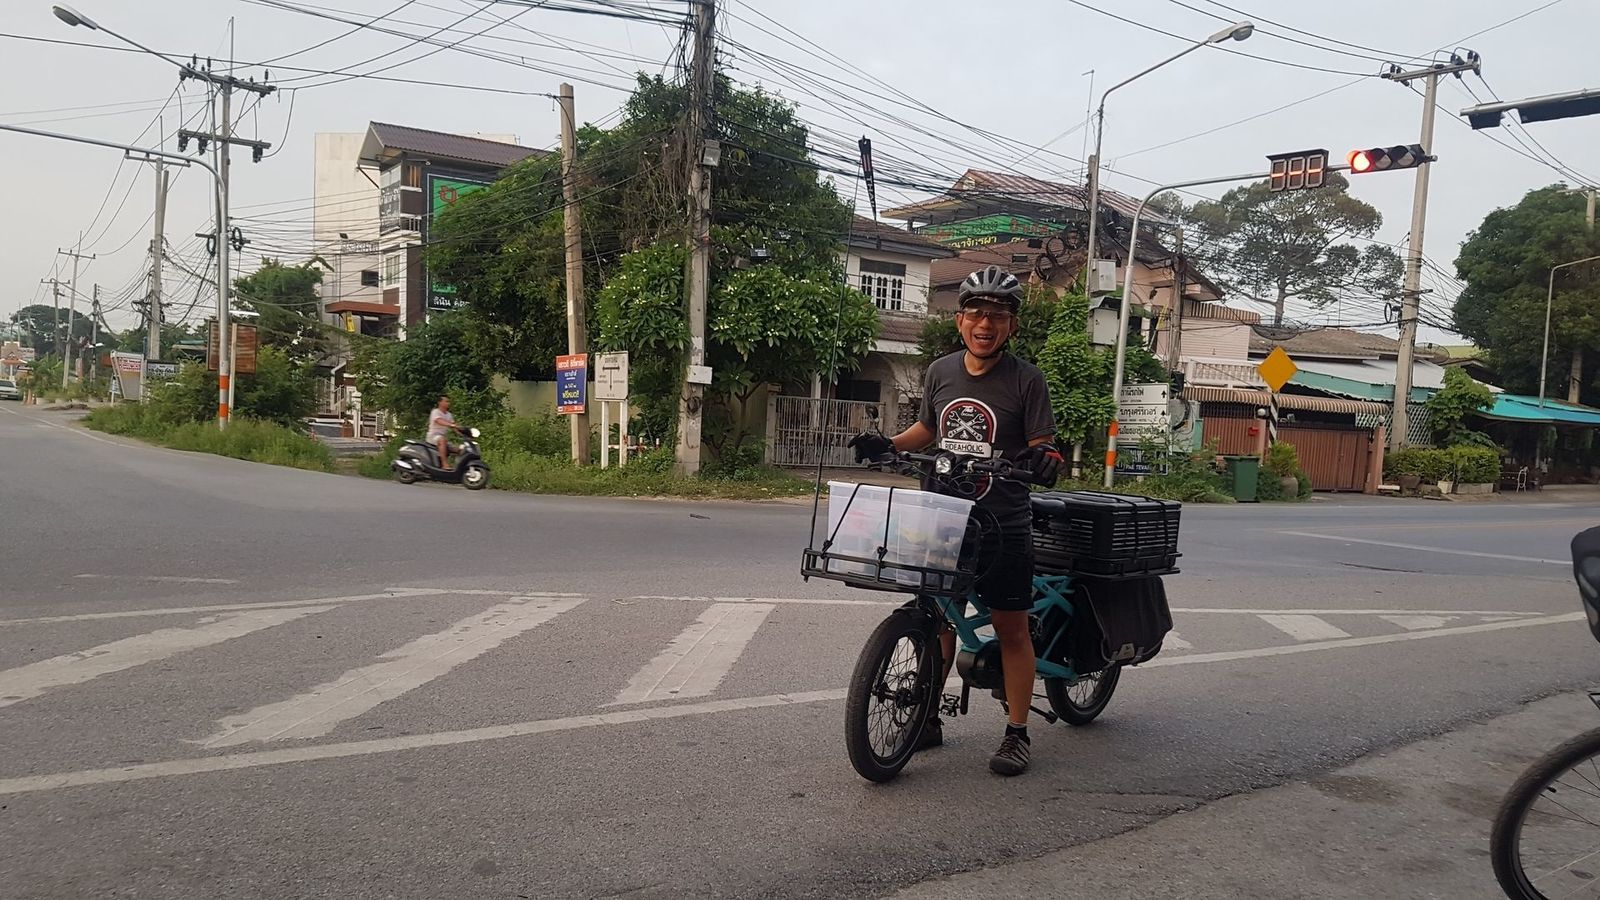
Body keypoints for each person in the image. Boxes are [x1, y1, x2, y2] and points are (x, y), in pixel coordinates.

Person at [849, 265, 1063, 776]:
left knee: (1011, 628)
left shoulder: (1027, 380)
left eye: (997, 315)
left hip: (1002, 522)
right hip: (943, 515)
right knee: (939, 618)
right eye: (976, 313)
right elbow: (929, 428)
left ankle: (1016, 733)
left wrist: (1044, 459)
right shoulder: (940, 371)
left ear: (1011, 325)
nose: (985, 324)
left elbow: (1044, 445)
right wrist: (887, 444)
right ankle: (925, 719)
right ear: (960, 320)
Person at [426, 395, 463, 470]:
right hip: (433, 436)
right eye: (446, 401)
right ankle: (444, 465)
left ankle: (459, 468)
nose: (448, 403)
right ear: (440, 402)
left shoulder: (449, 414)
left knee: (459, 449)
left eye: (448, 402)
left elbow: (454, 426)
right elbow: (439, 421)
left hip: (442, 437)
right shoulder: (435, 412)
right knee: (442, 440)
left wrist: (463, 433)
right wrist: (451, 425)